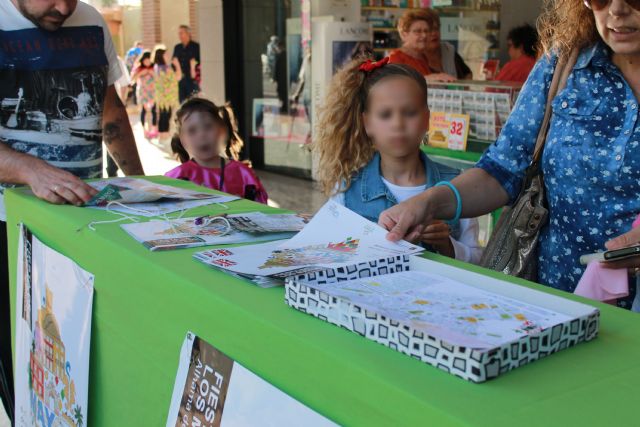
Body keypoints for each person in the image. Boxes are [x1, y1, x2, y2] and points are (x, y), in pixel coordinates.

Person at [379, 0, 640, 309]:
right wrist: (428, 202)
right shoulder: (564, 65)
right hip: (561, 300)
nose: (616, 10)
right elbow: (503, 169)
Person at [0, 0, 145, 421]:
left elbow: (110, 111)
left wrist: (139, 184)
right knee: (22, 359)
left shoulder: (91, 22)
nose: (64, 7)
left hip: (86, 224)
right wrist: (29, 170)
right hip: (10, 230)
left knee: (76, 357)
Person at [314, 57, 482, 263]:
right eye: (385, 115)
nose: (398, 124)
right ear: (367, 123)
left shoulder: (457, 185)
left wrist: (449, 246)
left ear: (427, 119)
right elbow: (326, 250)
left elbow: (479, 260)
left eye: (410, 113)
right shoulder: (346, 188)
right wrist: (374, 239)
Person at [165, 98, 269, 204]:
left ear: (223, 130)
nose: (202, 135)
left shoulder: (244, 175)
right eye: (192, 130)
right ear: (183, 139)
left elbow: (261, 212)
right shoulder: (176, 178)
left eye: (208, 127)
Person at [389, 9, 456, 82]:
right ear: (404, 34)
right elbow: (397, 84)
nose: (424, 35)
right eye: (418, 31)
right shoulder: (395, 57)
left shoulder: (422, 57)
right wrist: (430, 78)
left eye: (426, 31)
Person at [419, 8, 473, 80]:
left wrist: (463, 88)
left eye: (436, 28)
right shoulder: (413, 55)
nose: (434, 33)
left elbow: (467, 74)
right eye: (429, 30)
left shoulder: (448, 50)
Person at [153, 46, 182, 140]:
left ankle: (162, 135)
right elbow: (178, 77)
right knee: (165, 116)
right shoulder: (166, 68)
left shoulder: (157, 67)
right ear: (161, 56)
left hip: (161, 98)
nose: (168, 56)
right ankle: (164, 136)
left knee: (163, 116)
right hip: (167, 98)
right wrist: (177, 65)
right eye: (166, 54)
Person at [131, 50, 157, 139]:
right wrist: (141, 73)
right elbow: (132, 80)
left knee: (154, 110)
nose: (147, 62)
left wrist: (151, 73)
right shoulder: (138, 68)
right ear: (142, 60)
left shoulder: (154, 68)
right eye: (146, 60)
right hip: (142, 93)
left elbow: (160, 80)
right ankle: (144, 130)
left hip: (153, 92)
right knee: (144, 111)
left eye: (149, 60)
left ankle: (154, 129)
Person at [173, 24, 200, 103]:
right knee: (182, 102)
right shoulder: (177, 47)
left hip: (192, 79)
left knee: (193, 101)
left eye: (181, 33)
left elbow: (198, 62)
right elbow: (174, 62)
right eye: (179, 33)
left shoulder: (196, 47)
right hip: (181, 80)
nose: (179, 35)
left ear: (188, 33)